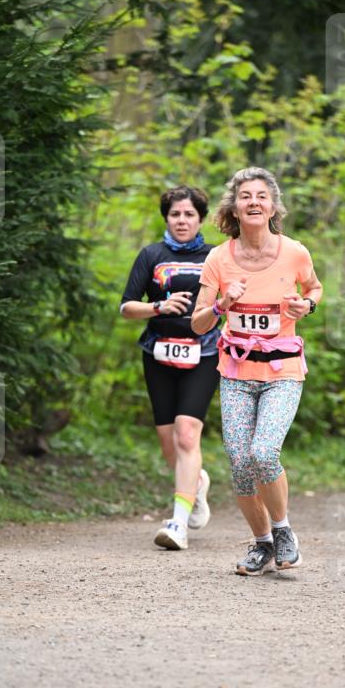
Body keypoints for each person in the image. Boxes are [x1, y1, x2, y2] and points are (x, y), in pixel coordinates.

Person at [192, 167, 323, 576]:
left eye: (261, 196)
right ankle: (262, 543)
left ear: (272, 207)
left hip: (282, 372)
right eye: (245, 195)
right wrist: (222, 305)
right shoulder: (218, 258)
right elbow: (198, 323)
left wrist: (307, 305)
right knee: (239, 462)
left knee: (263, 453)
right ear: (234, 207)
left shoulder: (294, 252)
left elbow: (314, 288)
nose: (253, 202)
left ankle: (283, 532)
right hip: (236, 373)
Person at [120, 185, 220, 551]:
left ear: (200, 219)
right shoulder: (151, 255)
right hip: (158, 352)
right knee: (168, 444)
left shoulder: (216, 256)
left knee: (187, 434)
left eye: (189, 214)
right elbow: (127, 307)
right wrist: (158, 307)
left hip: (205, 353)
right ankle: (198, 483)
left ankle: (178, 522)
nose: (182, 220)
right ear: (166, 217)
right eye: (175, 214)